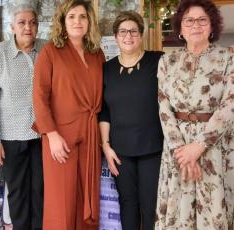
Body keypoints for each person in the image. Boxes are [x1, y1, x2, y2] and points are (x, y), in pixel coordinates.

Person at [155, 0, 234, 229]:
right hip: (177, 149)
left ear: (212, 26)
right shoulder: (167, 61)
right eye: (189, 20)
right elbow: (163, 106)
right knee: (178, 212)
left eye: (202, 20)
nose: (195, 25)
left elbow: (230, 104)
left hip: (214, 147)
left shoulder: (228, 58)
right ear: (180, 28)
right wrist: (181, 150)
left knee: (213, 211)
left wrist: (199, 146)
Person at [32, 0, 105, 229]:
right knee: (61, 200)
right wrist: (51, 135)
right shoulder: (50, 52)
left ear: (89, 22)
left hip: (90, 133)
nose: (77, 21)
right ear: (63, 21)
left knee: (87, 196)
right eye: (72, 16)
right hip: (59, 136)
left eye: (83, 16)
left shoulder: (97, 53)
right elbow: (39, 96)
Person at [98, 11, 164, 230]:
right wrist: (105, 146)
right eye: (123, 32)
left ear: (141, 34)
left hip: (152, 148)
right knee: (127, 204)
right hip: (120, 151)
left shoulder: (158, 60)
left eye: (133, 31)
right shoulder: (106, 69)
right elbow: (104, 111)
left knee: (150, 205)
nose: (128, 36)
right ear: (116, 36)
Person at [0, 3, 45, 230]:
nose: (28, 27)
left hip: (42, 135)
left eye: (32, 22)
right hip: (11, 136)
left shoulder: (47, 49)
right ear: (12, 27)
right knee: (17, 194)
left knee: (41, 192)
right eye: (22, 22)